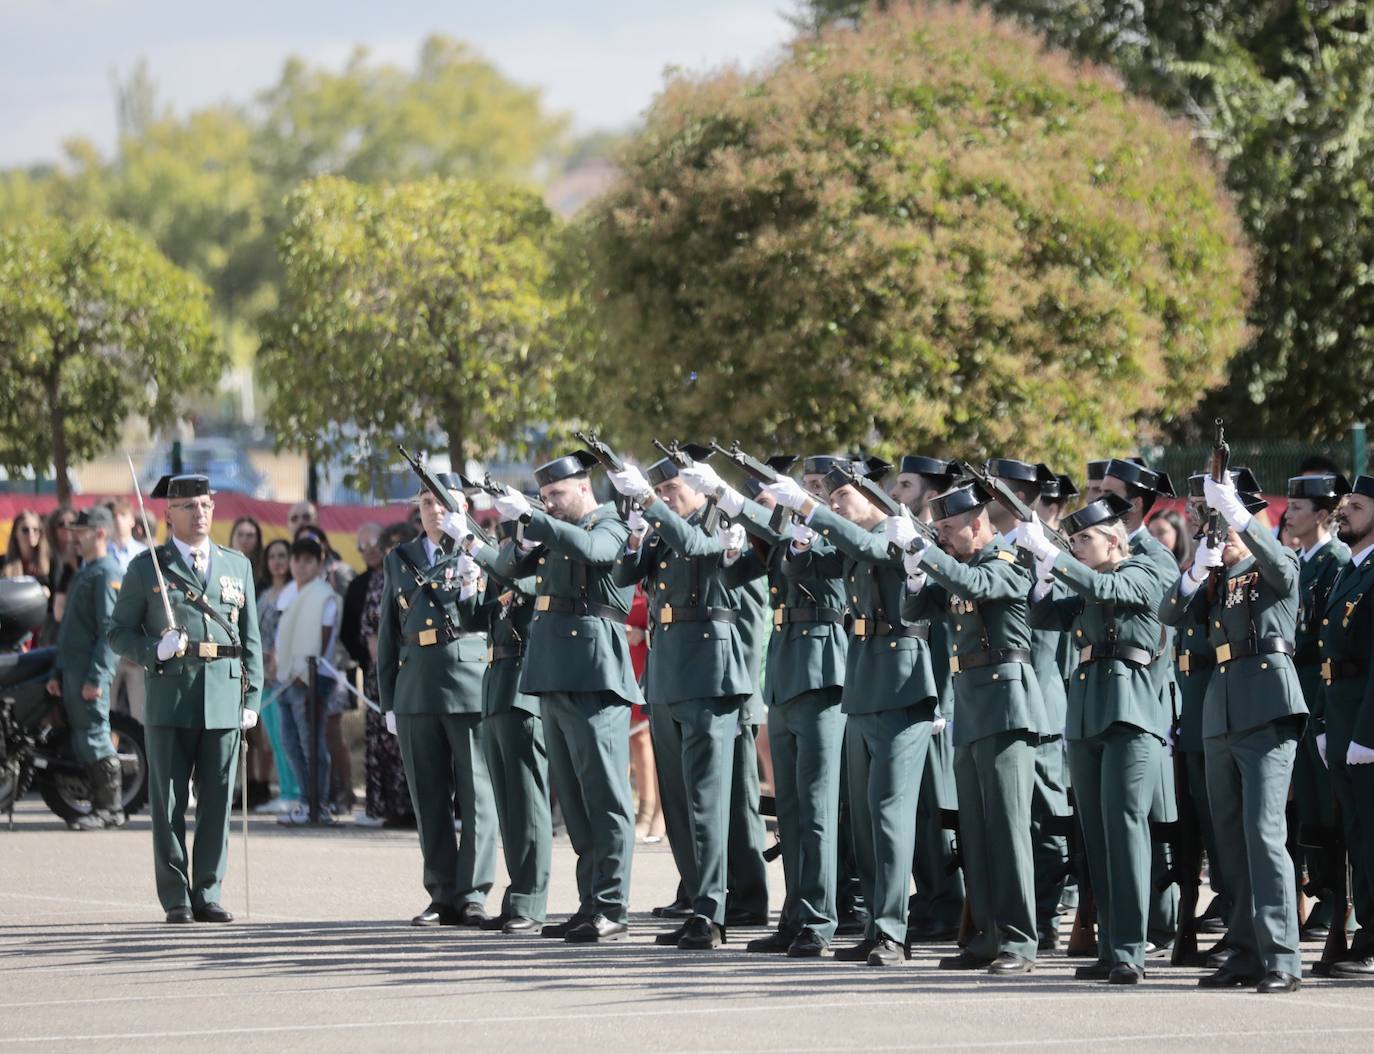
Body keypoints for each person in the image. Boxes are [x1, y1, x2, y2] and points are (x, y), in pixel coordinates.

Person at [462, 450, 640, 944]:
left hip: (594, 674)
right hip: (553, 675)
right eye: (544, 498)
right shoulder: (551, 529)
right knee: (579, 804)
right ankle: (590, 903)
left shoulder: (610, 521)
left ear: (583, 487)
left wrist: (535, 518)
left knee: (605, 798)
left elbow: (599, 554)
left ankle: (612, 905)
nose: (550, 504)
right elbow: (510, 571)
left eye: (556, 495)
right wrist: (511, 533)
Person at [765, 464, 938, 967]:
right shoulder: (853, 539)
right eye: (830, 497)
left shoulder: (898, 532)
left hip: (901, 683)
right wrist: (798, 533)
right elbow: (799, 571)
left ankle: (891, 931)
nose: (835, 504)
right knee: (863, 819)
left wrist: (808, 508)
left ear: (872, 497)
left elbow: (869, 551)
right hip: (862, 682)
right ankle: (872, 928)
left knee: (887, 815)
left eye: (842, 495)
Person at [679, 455, 849, 958]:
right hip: (787, 673)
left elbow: (797, 538)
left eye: (817, 489)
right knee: (792, 809)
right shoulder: (787, 533)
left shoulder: (831, 531)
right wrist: (733, 549)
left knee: (817, 808)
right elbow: (741, 574)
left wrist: (728, 499)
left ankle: (819, 918)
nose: (805, 495)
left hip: (824, 673)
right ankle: (796, 914)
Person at [1160, 471, 1305, 993]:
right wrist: (1194, 573)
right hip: (1220, 714)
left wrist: (1243, 515)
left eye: (1224, 525)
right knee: (1230, 839)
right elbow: (1169, 613)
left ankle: (1282, 957)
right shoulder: (1217, 580)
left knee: (1265, 835)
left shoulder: (1273, 564)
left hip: (1266, 707)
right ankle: (1244, 950)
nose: (1218, 534)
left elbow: (1284, 571)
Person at [900, 479, 1047, 976]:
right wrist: (916, 574)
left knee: (1007, 830)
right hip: (972, 707)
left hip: (1006, 706)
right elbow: (916, 611)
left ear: (977, 524)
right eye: (936, 529)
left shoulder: (1003, 563)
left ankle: (1020, 940)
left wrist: (929, 554)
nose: (941, 537)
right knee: (977, 832)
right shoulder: (959, 567)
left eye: (946, 529)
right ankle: (987, 932)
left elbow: (976, 589)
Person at [609, 453, 755, 951]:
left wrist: (651, 506)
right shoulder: (657, 528)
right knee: (677, 803)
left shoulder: (720, 520)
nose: (666, 495)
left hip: (710, 674)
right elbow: (626, 574)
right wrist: (633, 531)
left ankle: (713, 912)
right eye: (660, 489)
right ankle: (697, 902)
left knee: (706, 802)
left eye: (673, 487)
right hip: (668, 674)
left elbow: (697, 547)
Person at [1023, 493, 1168, 984]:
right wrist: (1041, 575)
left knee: (1125, 831)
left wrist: (1054, 557)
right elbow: (1043, 617)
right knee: (1099, 836)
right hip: (1086, 715)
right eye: (1074, 538)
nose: (1078, 545)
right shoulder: (1086, 581)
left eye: (1085, 537)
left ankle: (1130, 949)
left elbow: (1109, 589)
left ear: (1114, 539)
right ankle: (1109, 946)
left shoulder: (1141, 570)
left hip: (1130, 713)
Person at [107, 474, 262, 924]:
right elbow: (118, 632)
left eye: (206, 505)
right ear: (168, 514)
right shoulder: (146, 568)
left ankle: (208, 891)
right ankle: (176, 895)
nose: (201, 514)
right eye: (190, 507)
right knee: (169, 801)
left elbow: (250, 639)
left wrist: (252, 695)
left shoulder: (237, 566)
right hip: (171, 694)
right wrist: (152, 650)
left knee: (216, 799)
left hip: (222, 695)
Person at [379, 473, 496, 928]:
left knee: (477, 795)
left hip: (468, 680)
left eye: (443, 502)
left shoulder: (479, 548)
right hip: (416, 685)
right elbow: (388, 635)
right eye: (426, 501)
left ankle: (473, 893)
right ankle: (441, 892)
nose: (434, 510)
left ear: (463, 507)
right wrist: (389, 698)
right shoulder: (400, 558)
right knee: (428, 798)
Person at [983, 458, 1072, 953]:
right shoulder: (992, 550)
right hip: (1002, 700)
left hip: (1042, 699)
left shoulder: (1048, 549)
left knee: (1045, 818)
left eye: (991, 494)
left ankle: (1048, 915)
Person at [889, 456, 965, 944]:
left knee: (939, 808)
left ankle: (949, 900)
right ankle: (931, 896)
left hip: (942, 690)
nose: (897, 493)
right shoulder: (913, 540)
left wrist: (944, 699)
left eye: (907, 485)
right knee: (918, 809)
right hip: (915, 684)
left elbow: (950, 631)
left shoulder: (944, 546)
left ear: (931, 492)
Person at [473, 523, 552, 934]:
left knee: (529, 805)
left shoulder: (544, 565)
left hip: (523, 687)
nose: (506, 549)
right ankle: (517, 894)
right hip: (496, 685)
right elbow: (478, 618)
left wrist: (484, 554)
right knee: (508, 806)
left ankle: (531, 900)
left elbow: (528, 587)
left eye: (513, 542)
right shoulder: (502, 570)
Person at [1284, 473, 1351, 942]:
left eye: (1298, 506)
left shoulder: (1335, 559)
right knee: (1308, 797)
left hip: (1318, 681)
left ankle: (1336, 897)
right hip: (1298, 684)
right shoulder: (1299, 559)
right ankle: (1322, 888)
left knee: (1329, 798)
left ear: (1322, 515)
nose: (1288, 513)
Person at [1312, 475, 1374, 978]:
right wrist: (1324, 722)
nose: (1345, 511)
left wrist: (1367, 735)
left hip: (1366, 726)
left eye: (1357, 505)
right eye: (1345, 504)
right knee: (1356, 835)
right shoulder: (1348, 570)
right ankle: (1366, 935)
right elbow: (1325, 654)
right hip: (1343, 716)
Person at [45, 506, 125, 831]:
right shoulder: (87, 570)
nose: (75, 538)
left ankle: (111, 808)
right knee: (83, 738)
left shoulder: (107, 573)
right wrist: (57, 672)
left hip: (88, 675)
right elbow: (70, 633)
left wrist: (97, 678)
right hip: (74, 672)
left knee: (94, 736)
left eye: (82, 533)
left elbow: (109, 631)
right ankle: (100, 805)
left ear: (100, 533)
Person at [272, 536, 337, 826]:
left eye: (308, 560)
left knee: (312, 743)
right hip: (285, 679)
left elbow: (322, 638)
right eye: (296, 559)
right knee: (290, 743)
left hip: (312, 678)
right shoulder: (288, 592)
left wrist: (305, 673)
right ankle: (305, 799)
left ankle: (319, 802)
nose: (300, 565)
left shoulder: (324, 595)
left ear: (319, 563)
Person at [355, 524, 414, 827]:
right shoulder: (379, 580)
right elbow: (370, 629)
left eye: (398, 543)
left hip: (415, 669)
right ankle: (386, 806)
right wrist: (384, 666)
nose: (392, 549)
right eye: (388, 544)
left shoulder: (418, 577)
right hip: (383, 672)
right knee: (381, 744)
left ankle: (410, 808)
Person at [253, 539, 298, 813]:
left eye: (283, 556)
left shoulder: (294, 592)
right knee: (271, 737)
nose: (278, 561)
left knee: (286, 737)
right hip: (264, 675)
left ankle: (294, 791)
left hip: (284, 674)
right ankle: (284, 789)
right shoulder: (265, 594)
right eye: (273, 556)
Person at [626, 584, 665, 843]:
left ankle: (657, 813)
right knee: (635, 738)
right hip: (625, 660)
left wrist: (642, 633)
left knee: (651, 739)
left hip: (648, 658)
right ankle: (643, 811)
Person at [43, 506, 79, 641]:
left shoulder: (83, 557)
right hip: (54, 625)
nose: (67, 527)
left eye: (72, 524)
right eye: (61, 524)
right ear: (53, 530)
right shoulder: (48, 556)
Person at [229, 516, 265, 586]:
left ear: (258, 540)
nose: (244, 540)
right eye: (240, 534)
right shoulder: (221, 564)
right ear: (232, 537)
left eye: (250, 535)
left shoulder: (265, 569)